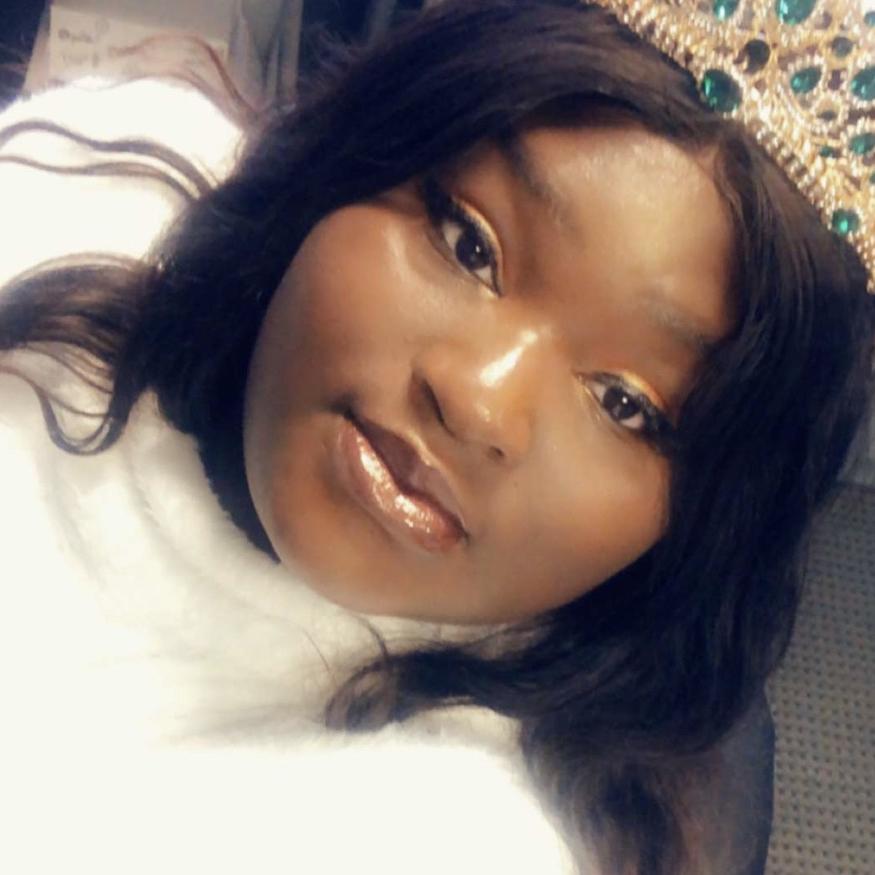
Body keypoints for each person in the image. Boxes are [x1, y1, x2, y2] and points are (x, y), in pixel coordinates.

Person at [0, 1, 871, 873]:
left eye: (623, 404)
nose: (477, 402)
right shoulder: (88, 178)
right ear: (356, 156)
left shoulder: (460, 836)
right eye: (469, 244)